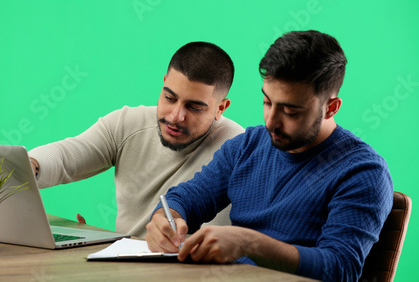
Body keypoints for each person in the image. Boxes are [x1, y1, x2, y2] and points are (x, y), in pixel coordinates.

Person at [146, 30, 393, 281]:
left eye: (290, 111)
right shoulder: (248, 145)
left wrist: (249, 243)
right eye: (267, 102)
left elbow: (340, 269)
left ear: (331, 108)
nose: (271, 121)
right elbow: (187, 198)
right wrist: (167, 219)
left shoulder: (362, 172)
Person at [28, 42, 245, 238]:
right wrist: (31, 166)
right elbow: (67, 156)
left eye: (194, 107)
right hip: (122, 266)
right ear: (164, 83)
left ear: (220, 108)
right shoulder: (127, 124)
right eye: (169, 97)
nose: (175, 116)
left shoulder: (239, 148)